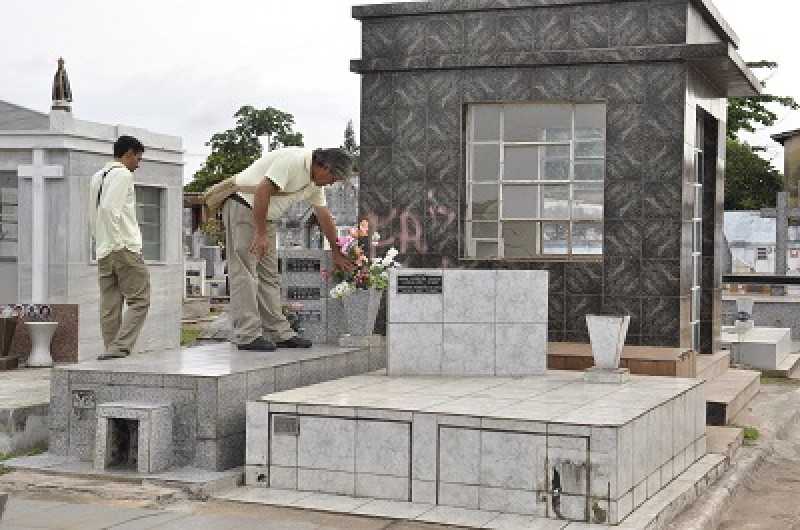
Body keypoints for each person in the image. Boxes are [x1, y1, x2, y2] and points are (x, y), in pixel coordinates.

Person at [222, 147, 353, 351]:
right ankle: (247, 334)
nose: (332, 183)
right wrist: (260, 232)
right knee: (245, 272)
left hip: (266, 218)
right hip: (245, 209)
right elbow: (262, 190)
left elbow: (324, 216)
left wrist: (337, 251)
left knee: (269, 275)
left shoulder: (313, 184)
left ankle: (279, 332)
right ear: (324, 166)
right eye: (334, 177)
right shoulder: (293, 161)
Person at [88, 135, 150, 359]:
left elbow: (94, 214)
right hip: (122, 246)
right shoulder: (123, 174)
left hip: (103, 249)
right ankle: (120, 348)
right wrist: (118, 244)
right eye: (138, 158)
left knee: (110, 305)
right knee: (140, 299)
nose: (138, 164)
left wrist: (103, 242)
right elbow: (108, 210)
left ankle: (111, 350)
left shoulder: (98, 176)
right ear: (129, 153)